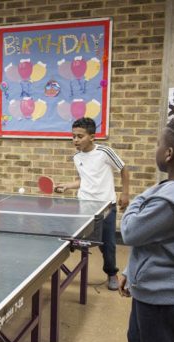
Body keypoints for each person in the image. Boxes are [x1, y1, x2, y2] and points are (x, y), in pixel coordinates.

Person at [118, 116, 174, 342]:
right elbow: (152, 242)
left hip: (164, 301)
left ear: (168, 153)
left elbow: (131, 231)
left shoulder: (169, 200)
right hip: (150, 292)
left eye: (157, 144)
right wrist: (131, 270)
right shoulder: (166, 192)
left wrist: (137, 199)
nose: (155, 149)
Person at [56, 117, 130, 291]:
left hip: (106, 207)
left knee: (108, 244)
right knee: (77, 240)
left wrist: (125, 193)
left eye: (80, 136)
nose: (75, 140)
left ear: (92, 137)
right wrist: (67, 185)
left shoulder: (104, 152)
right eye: (73, 136)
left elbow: (124, 169)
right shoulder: (76, 156)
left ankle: (111, 273)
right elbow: (84, 180)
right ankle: (68, 268)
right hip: (84, 205)